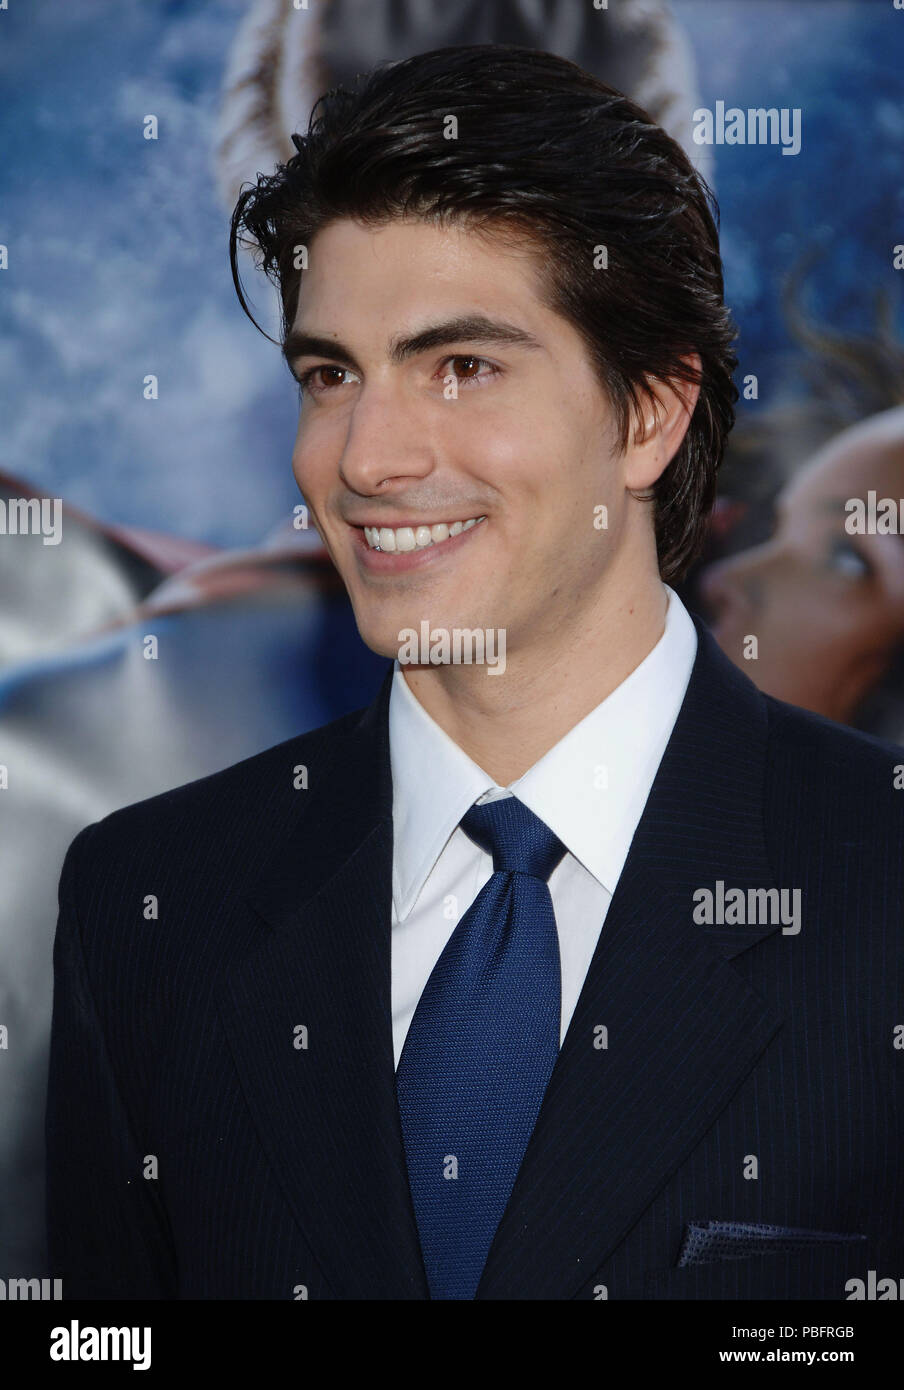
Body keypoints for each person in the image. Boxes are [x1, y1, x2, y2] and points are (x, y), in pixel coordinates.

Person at [45, 44, 903, 1301]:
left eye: (463, 366)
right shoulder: (148, 901)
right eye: (332, 374)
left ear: (649, 415)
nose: (369, 457)